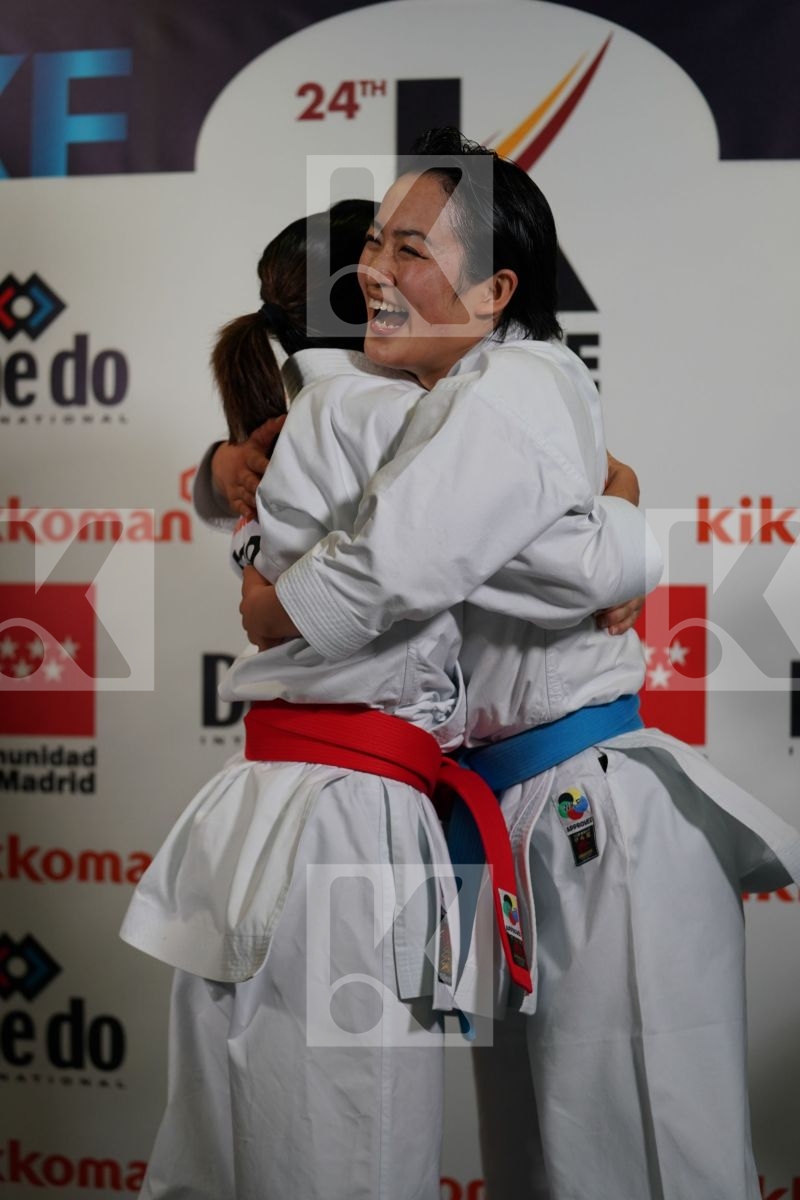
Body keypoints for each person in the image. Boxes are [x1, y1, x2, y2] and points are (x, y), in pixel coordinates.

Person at [239, 129, 800, 1200]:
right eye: (370, 246)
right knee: (544, 1165)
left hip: (593, 812)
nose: (375, 270)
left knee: (642, 1161)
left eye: (409, 250)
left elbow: (405, 566)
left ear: (494, 289)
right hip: (509, 819)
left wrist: (271, 602)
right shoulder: (419, 409)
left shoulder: (516, 386)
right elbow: (514, 544)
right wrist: (621, 514)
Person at [122, 195, 654, 1200]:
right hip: (346, 827)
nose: (400, 273)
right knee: (352, 1161)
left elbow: (249, 477)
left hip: (271, 809)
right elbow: (564, 558)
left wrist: (220, 469)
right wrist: (624, 510)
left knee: (228, 1154)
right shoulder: (401, 418)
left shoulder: (299, 417)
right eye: (385, 253)